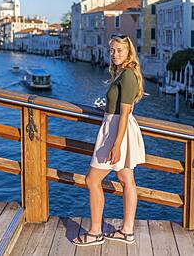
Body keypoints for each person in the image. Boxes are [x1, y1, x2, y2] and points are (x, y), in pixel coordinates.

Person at [72, 34, 145, 247]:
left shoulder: (128, 75)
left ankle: (95, 233)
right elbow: (117, 108)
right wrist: (106, 109)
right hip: (114, 126)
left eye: (119, 50)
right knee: (126, 180)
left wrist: (116, 145)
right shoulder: (121, 73)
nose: (114, 54)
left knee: (92, 180)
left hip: (117, 132)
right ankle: (127, 231)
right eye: (112, 50)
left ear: (129, 52)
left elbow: (125, 113)